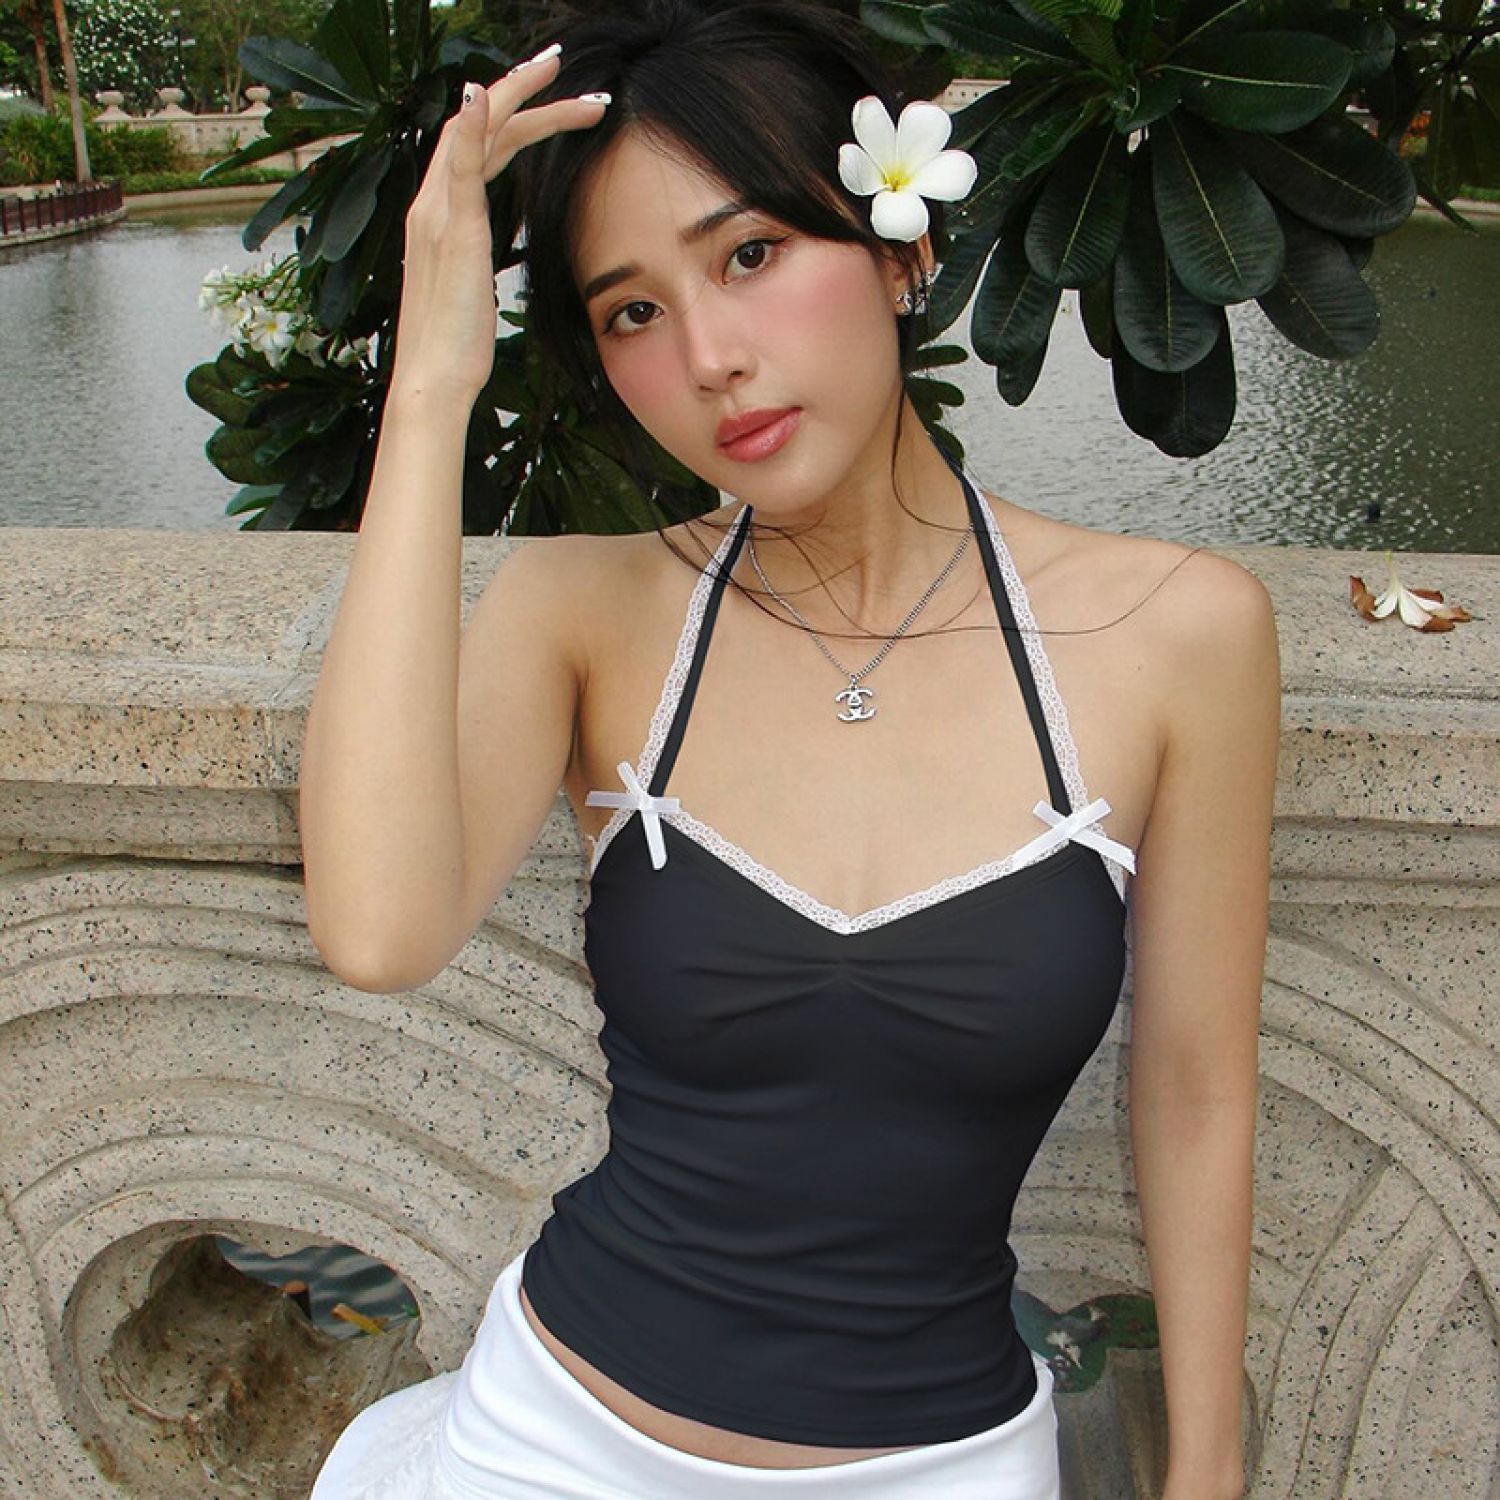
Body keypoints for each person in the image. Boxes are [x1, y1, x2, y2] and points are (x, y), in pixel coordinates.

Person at [297, 1, 1279, 1495]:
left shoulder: (1179, 634)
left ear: (900, 247)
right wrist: (430, 390)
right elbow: (377, 933)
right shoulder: (588, 611)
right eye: (631, 313)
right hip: (554, 1442)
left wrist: (1206, 1478)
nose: (709, 357)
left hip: (942, 1463)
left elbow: (1197, 1095)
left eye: (750, 254)